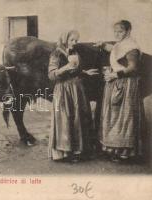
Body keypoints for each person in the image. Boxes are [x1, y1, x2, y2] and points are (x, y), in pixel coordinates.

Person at [97, 20, 145, 162]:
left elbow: (133, 67)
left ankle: (125, 152)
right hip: (117, 83)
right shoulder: (122, 44)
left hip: (126, 84)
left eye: (121, 31)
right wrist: (103, 45)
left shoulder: (132, 47)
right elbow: (116, 50)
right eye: (115, 31)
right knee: (115, 116)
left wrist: (115, 75)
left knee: (124, 118)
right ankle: (114, 149)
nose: (117, 34)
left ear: (128, 31)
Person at [48, 30, 98, 162]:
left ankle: (78, 150)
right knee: (65, 119)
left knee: (78, 118)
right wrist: (65, 67)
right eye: (72, 40)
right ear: (65, 39)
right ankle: (65, 152)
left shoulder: (75, 52)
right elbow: (52, 75)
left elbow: (75, 70)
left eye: (76, 40)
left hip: (77, 89)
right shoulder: (57, 53)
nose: (75, 43)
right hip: (63, 89)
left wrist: (85, 72)